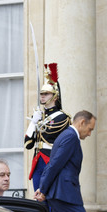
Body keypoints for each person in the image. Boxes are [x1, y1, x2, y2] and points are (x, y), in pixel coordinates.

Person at [34, 110, 96, 212]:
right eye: (90, 129)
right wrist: (43, 189)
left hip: (58, 194)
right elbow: (54, 164)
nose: (89, 134)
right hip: (64, 194)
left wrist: (44, 188)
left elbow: (53, 164)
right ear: (82, 122)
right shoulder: (71, 137)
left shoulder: (66, 135)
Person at [25, 63, 72, 191]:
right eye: (41, 93)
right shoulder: (38, 116)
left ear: (55, 96)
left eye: (46, 93)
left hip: (51, 161)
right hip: (38, 160)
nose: (42, 96)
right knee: (38, 197)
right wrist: (33, 122)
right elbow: (28, 144)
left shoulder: (62, 118)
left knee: (50, 197)